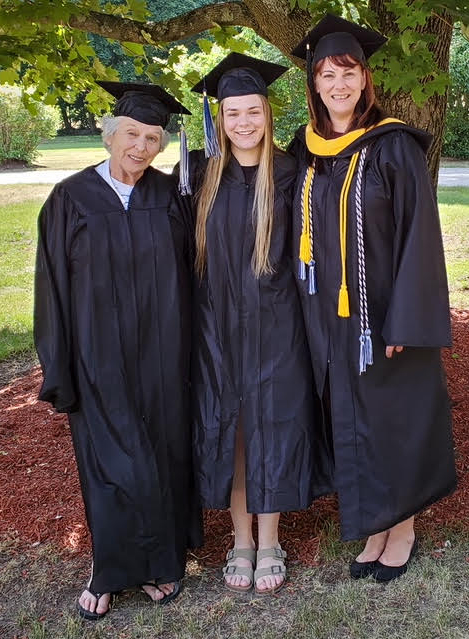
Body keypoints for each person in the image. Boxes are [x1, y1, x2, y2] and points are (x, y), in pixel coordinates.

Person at [288, 14, 457, 582]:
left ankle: (402, 526)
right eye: (326, 74)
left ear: (365, 79)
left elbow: (420, 238)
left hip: (383, 318)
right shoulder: (307, 153)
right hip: (328, 319)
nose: (338, 83)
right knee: (351, 419)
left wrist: (405, 322)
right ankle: (374, 525)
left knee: (393, 416)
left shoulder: (393, 147)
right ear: (312, 83)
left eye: (349, 72)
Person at [34, 82, 203, 619]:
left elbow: (197, 273)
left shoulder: (169, 195)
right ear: (110, 134)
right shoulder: (71, 199)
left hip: (165, 352)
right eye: (132, 134)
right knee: (108, 461)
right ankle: (108, 569)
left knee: (164, 455)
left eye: (153, 138)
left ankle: (160, 563)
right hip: (98, 357)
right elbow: (52, 287)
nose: (141, 147)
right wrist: (59, 364)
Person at [183, 53, 326, 595]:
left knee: (273, 427)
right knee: (235, 433)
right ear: (218, 119)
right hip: (216, 328)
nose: (242, 123)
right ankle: (240, 541)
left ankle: (270, 541)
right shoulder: (199, 173)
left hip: (277, 326)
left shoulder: (290, 174)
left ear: (268, 114)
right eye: (231, 113)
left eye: (253, 112)